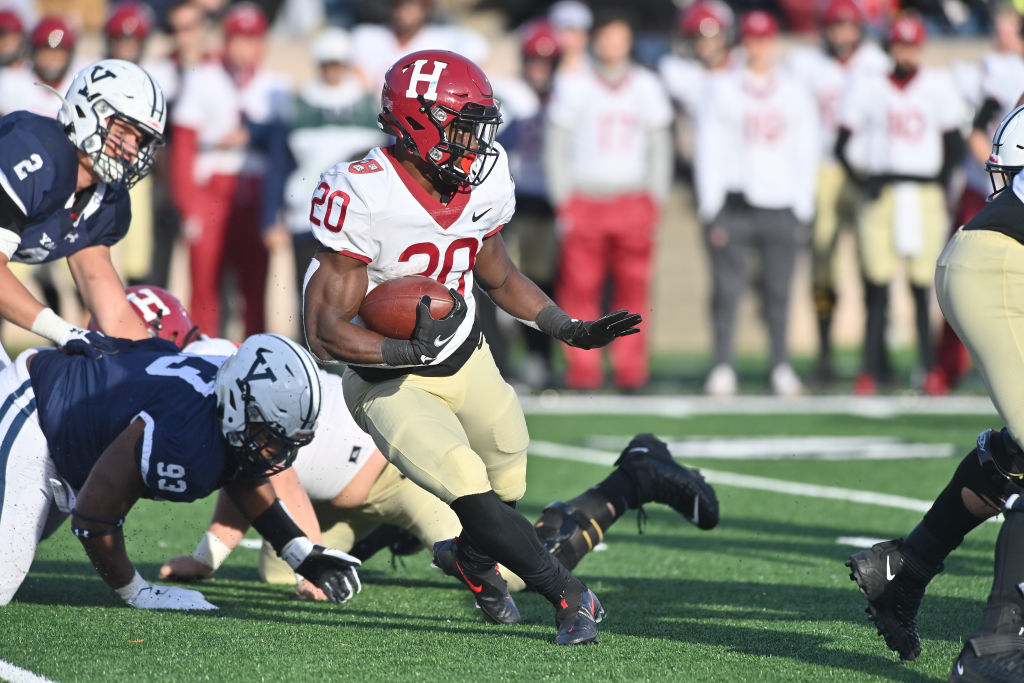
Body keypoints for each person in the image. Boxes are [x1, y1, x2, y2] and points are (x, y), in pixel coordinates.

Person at [301, 49, 642, 645]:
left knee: (509, 476)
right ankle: (569, 597)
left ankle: (470, 557)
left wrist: (569, 329)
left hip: (465, 352)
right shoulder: (363, 191)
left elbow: (500, 275)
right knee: (466, 480)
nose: (474, 142)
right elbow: (325, 330)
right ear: (416, 123)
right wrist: (406, 354)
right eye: (462, 126)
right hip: (385, 376)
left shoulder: (483, 176)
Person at [846, 105, 1024, 674]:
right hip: (1001, 267)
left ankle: (905, 568)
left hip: (990, 260)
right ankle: (998, 645)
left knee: (1020, 451)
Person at [0, 332, 363, 608]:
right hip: (34, 405)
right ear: (237, 405)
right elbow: (94, 517)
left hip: (64, 432)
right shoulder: (182, 433)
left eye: (287, 443)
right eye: (271, 436)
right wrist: (140, 592)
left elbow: (244, 477)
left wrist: (301, 554)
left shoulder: (224, 412)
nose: (277, 453)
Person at [835, 13, 965, 395]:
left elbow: (953, 145)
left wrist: (939, 184)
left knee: (923, 283)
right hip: (882, 189)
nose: (905, 53)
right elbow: (843, 144)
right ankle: (871, 368)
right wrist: (864, 181)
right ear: (890, 46)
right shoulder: (868, 85)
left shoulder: (937, 86)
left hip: (922, 190)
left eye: (911, 45)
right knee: (876, 282)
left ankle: (928, 368)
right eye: (899, 45)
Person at [0, 58, 168, 353]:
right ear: (87, 112)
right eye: (123, 132)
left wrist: (155, 364)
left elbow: (110, 307)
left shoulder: (104, 198)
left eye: (139, 140)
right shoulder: (37, 152)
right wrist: (62, 330)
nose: (130, 149)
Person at [544, 11, 673, 391]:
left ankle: (631, 370)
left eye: (618, 37)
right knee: (579, 287)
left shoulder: (646, 84)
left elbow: (659, 147)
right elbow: (558, 146)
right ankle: (584, 370)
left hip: (632, 197)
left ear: (629, 41)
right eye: (605, 37)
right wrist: (563, 199)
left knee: (633, 289)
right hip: (585, 197)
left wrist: (656, 200)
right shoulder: (574, 84)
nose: (611, 45)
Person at [695, 10, 819, 397]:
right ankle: (723, 365)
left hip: (781, 202)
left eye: (766, 39)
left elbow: (807, 147)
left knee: (779, 291)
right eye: (753, 39)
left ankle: (781, 365)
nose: (760, 47)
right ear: (743, 42)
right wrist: (709, 203)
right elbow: (708, 148)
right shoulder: (723, 87)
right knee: (726, 290)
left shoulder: (794, 90)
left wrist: (803, 202)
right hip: (735, 201)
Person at [170, 2, 292, 337]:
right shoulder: (203, 79)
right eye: (238, 39)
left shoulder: (275, 86)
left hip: (255, 193)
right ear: (226, 40)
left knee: (254, 289)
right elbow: (183, 146)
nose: (245, 48)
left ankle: (257, 360)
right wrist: (189, 205)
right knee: (205, 287)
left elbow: (283, 152)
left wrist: (275, 210)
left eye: (253, 39)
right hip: (211, 190)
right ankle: (202, 357)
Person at [786, 0, 888, 385]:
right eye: (835, 26)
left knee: (872, 261)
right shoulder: (807, 66)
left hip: (864, 169)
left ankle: (875, 356)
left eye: (847, 26)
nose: (841, 33)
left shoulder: (876, 64)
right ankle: (825, 354)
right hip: (824, 166)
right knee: (822, 262)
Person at [924, 6, 1024, 396]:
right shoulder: (998, 69)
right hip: (995, 188)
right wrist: (1001, 172)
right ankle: (945, 369)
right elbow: (980, 126)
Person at [282, 26, 384, 333]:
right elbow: (287, 159)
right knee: (308, 284)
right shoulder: (300, 105)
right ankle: (308, 350)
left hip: (353, 212)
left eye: (338, 63)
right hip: (307, 208)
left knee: (355, 288)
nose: (333, 71)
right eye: (328, 64)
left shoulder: (366, 104)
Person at [143, 0, 210, 290]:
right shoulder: (159, 71)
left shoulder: (217, 71)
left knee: (211, 265)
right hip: (166, 175)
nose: (183, 36)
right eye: (176, 29)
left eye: (189, 27)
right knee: (157, 260)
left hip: (206, 178)